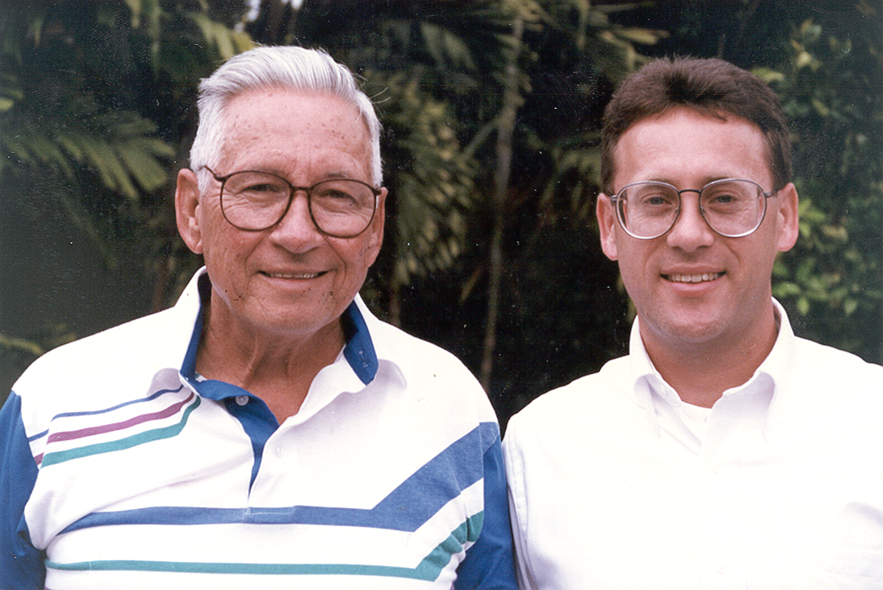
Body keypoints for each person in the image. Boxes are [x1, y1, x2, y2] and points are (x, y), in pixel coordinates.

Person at [0, 46, 517, 590]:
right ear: (191, 210)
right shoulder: (53, 409)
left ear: (375, 226)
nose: (298, 234)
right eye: (261, 188)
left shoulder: (450, 413)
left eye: (337, 195)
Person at [503, 56, 883, 589]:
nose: (688, 235)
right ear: (609, 225)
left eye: (724, 197)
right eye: (656, 200)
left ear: (785, 217)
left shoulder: (872, 422)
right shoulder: (540, 448)